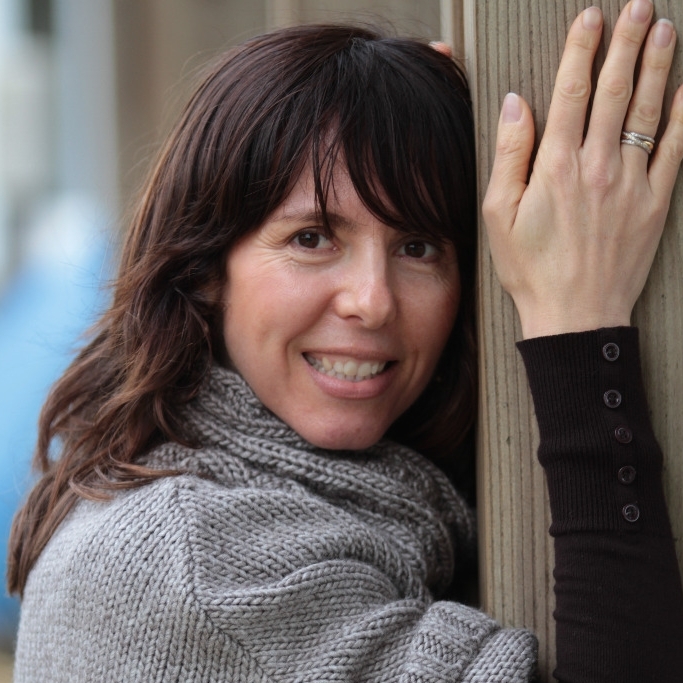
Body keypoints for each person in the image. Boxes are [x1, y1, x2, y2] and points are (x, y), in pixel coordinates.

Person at [7, 0, 683, 680]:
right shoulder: (198, 566)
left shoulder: (356, 501)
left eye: (416, 246)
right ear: (204, 271)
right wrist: (580, 321)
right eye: (311, 238)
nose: (372, 300)